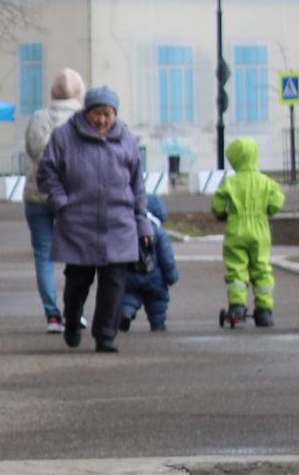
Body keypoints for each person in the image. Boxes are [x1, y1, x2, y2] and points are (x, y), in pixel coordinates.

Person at [36, 85, 151, 352]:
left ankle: (105, 335)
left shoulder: (127, 140)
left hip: (119, 225)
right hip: (79, 224)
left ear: (115, 115)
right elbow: (46, 173)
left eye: (107, 114)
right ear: (86, 112)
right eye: (96, 113)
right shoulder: (64, 136)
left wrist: (143, 224)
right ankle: (73, 321)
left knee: (114, 284)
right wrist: (61, 203)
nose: (101, 120)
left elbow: (138, 186)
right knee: (78, 282)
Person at [20, 68, 87, 331]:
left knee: (44, 257)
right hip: (73, 197)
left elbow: (31, 149)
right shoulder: (83, 119)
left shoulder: (39, 117)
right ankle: (74, 310)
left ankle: (52, 315)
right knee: (77, 255)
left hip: (37, 195)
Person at [212, 135, 284, 326]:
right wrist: (266, 210)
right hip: (260, 230)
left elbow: (217, 203)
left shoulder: (231, 182)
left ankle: (237, 307)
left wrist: (222, 214)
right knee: (262, 269)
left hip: (236, 228)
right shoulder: (266, 181)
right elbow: (277, 202)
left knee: (237, 269)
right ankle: (264, 311)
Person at [119, 194, 180, 332]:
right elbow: (167, 257)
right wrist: (172, 276)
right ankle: (158, 323)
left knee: (128, 297)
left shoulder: (128, 230)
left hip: (130, 274)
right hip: (155, 277)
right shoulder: (159, 233)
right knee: (157, 301)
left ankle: (126, 314)